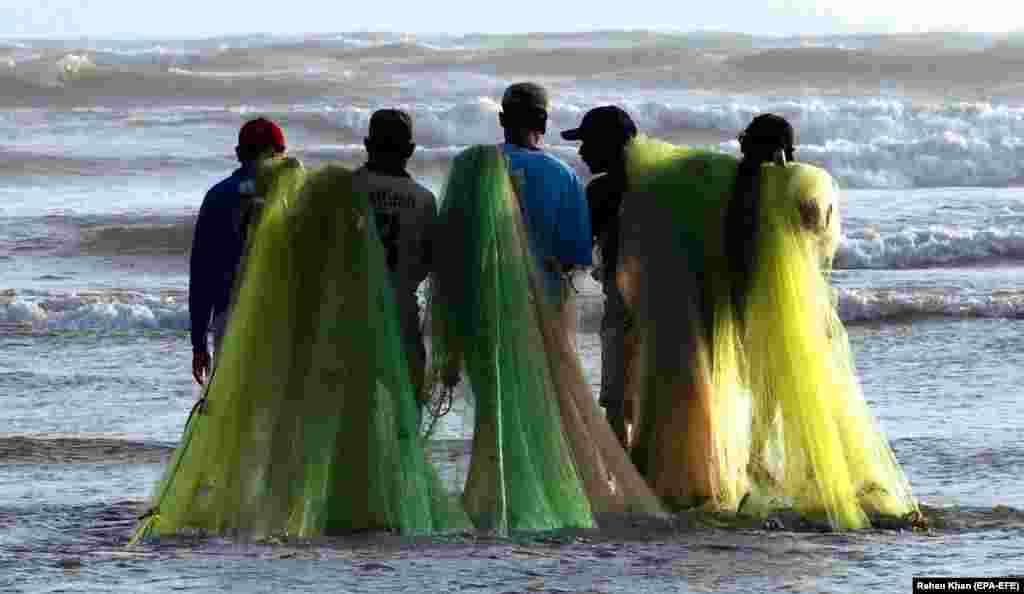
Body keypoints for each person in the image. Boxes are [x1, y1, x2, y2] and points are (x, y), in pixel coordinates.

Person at [561, 105, 638, 447]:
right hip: (671, 312)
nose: (581, 151)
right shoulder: (659, 184)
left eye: (587, 142)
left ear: (608, 145)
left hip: (622, 310)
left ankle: (626, 481)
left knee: (617, 399)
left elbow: (574, 253)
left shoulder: (600, 192)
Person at [189, 117, 286, 386]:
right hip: (281, 318)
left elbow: (201, 274)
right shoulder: (294, 195)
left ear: (239, 154)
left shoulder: (218, 196)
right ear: (281, 154)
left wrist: (198, 344)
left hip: (229, 316)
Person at [352, 109, 438, 402]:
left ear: (367, 144)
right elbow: (426, 263)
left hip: (349, 319)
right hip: (402, 317)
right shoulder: (423, 199)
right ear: (411, 150)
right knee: (407, 408)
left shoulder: (345, 188)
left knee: (352, 414)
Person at [497, 82, 592, 343]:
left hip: (486, 302)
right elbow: (575, 255)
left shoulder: (474, 166)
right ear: (543, 122)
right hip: (542, 304)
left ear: (502, 119)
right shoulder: (563, 176)